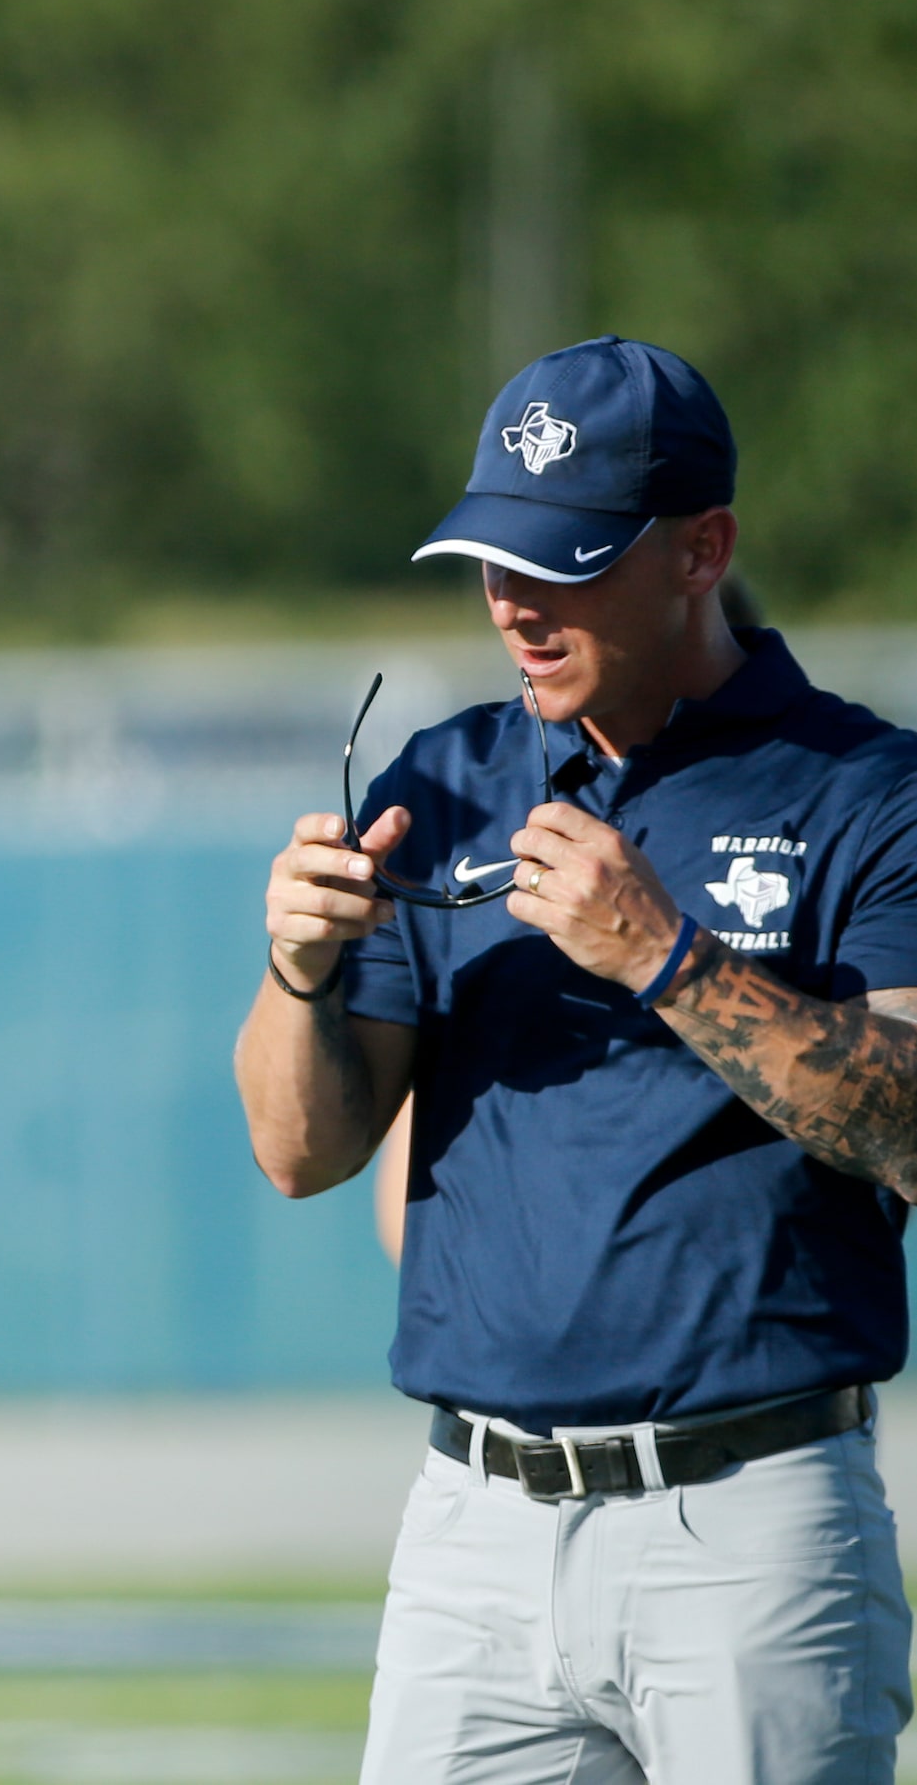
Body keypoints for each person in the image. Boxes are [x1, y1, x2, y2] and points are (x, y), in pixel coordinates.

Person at [237, 334, 917, 1782]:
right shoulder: (441, 778)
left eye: (566, 560)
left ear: (699, 552)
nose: (511, 603)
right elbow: (300, 1152)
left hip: (745, 1530)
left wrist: (664, 954)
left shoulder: (864, 789)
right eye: (491, 558)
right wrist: (294, 972)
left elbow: (909, 1124)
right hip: (470, 1528)